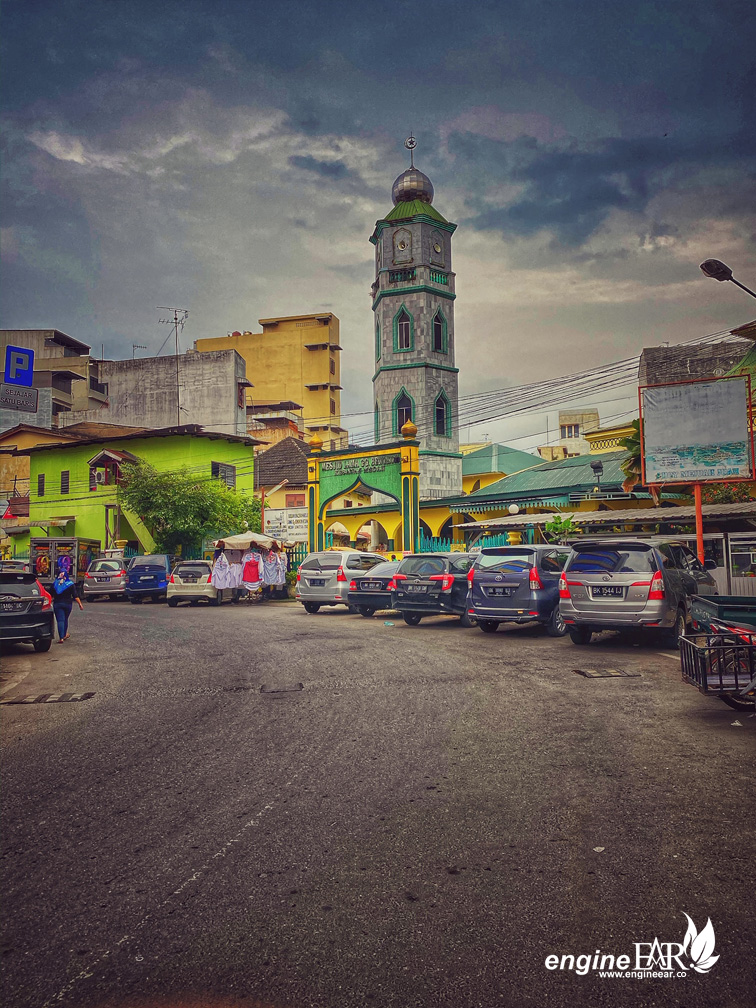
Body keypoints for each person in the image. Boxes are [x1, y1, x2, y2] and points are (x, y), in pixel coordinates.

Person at [51, 569, 83, 643]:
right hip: (67, 605)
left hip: (57, 604)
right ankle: (64, 634)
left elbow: (51, 595)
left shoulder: (55, 584)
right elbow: (75, 596)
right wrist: (80, 604)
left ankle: (61, 638)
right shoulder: (70, 584)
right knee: (65, 619)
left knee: (60, 620)